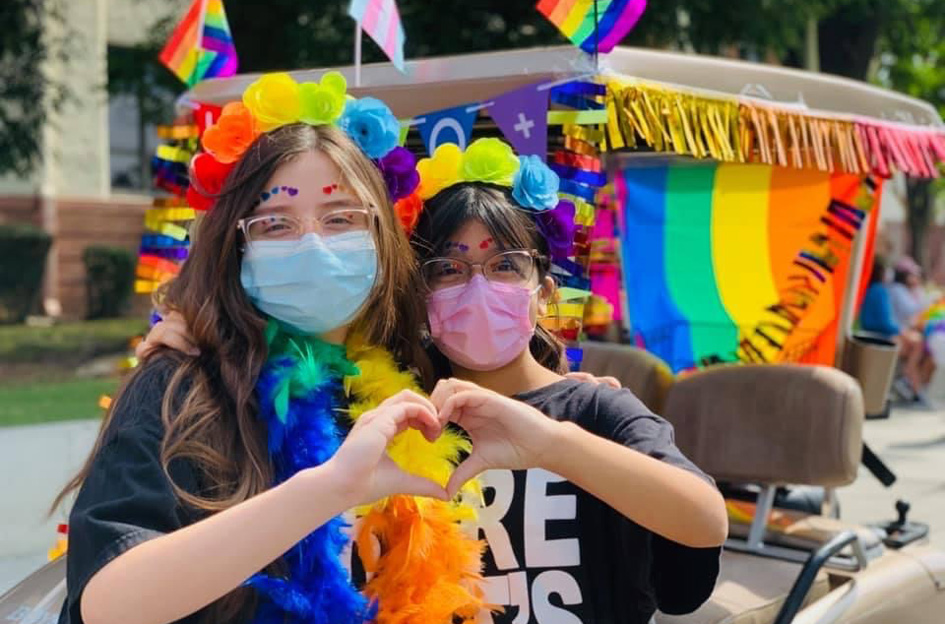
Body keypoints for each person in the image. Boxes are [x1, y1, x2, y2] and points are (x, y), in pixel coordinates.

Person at [139, 137, 728, 623]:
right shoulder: (390, 416)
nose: (477, 287)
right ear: (417, 294)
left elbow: (703, 522)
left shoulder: (597, 414)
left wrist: (555, 444)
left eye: (504, 266)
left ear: (543, 291)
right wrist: (197, 329)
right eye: (447, 269)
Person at [54, 72, 491, 624]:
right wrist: (328, 490)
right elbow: (107, 604)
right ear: (235, 247)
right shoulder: (180, 390)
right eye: (275, 225)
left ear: (383, 235)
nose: (313, 243)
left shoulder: (419, 373)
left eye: (341, 219)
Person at [860, 258, 927, 400]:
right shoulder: (881, 291)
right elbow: (886, 322)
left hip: (873, 332)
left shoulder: (872, 289)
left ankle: (906, 379)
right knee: (917, 344)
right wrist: (902, 332)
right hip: (881, 335)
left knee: (914, 344)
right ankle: (907, 377)